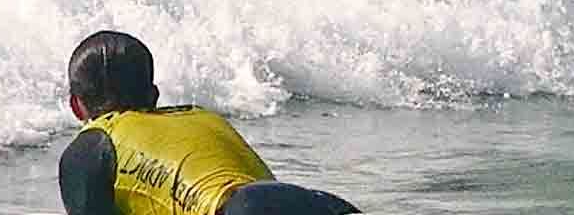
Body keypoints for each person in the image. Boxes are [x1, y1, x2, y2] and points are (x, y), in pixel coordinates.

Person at [58, 30, 360, 215]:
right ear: (154, 96)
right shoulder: (203, 116)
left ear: (76, 106)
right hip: (321, 205)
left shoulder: (93, 144)